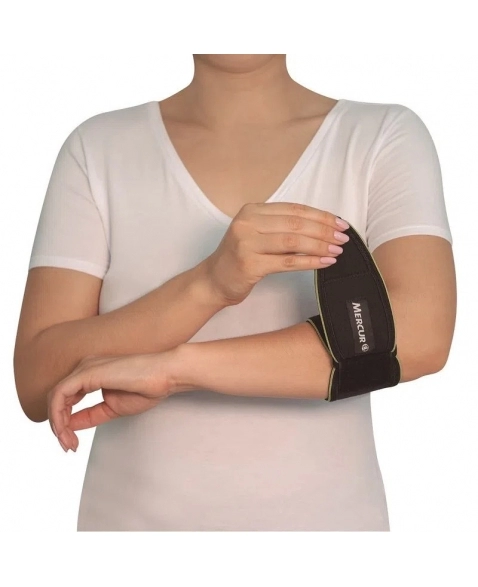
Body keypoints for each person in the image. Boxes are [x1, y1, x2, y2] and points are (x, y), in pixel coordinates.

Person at [13, 54, 456, 531]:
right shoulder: (97, 147)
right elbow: (39, 383)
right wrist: (208, 285)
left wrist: (175, 369)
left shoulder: (381, 135)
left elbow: (420, 336)